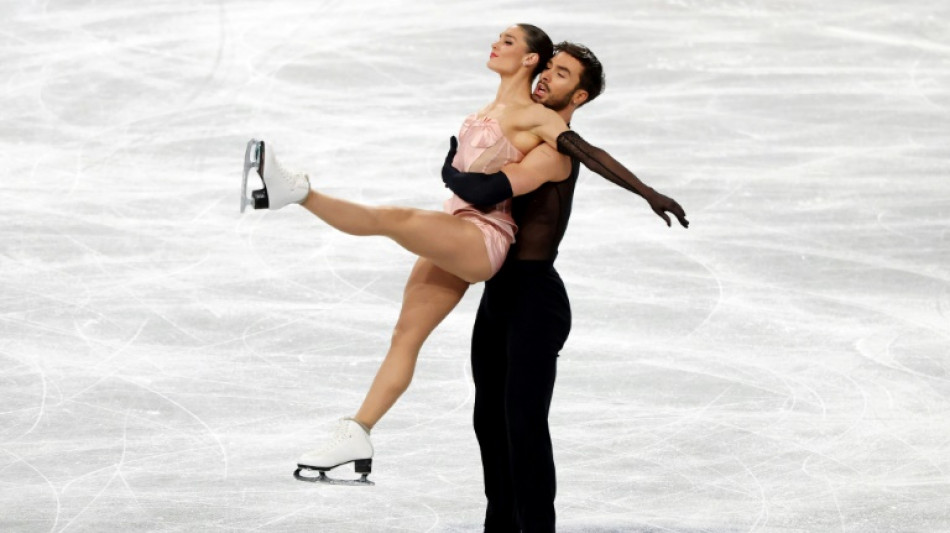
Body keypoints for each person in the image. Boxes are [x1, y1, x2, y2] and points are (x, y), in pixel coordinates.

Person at [239, 24, 687, 485]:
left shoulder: (542, 122)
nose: (499, 47)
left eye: (511, 43)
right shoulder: (491, 110)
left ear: (532, 61)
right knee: (406, 334)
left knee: (396, 220)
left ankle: (295, 192)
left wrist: (649, 193)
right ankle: (359, 431)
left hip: (484, 235)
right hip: (458, 227)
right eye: (551, 66)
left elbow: (587, 153)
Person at [442, 42, 619, 533]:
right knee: (488, 422)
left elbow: (481, 190)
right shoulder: (523, 134)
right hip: (500, 296)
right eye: (546, 68)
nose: (544, 78)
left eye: (560, 74)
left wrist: (449, 167)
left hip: (535, 300)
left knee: (523, 425)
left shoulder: (554, 151)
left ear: (578, 96)